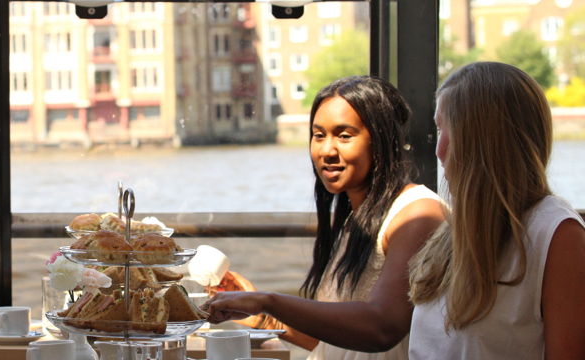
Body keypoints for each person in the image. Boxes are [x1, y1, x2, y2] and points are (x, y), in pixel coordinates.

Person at [204, 75, 445, 359]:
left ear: (381, 141)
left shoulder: (418, 214)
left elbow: (382, 328)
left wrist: (267, 301)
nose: (327, 150)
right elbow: (335, 341)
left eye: (344, 135)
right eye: (319, 135)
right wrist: (261, 316)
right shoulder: (355, 219)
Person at [408, 62, 585, 359]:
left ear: (484, 139)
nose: (438, 150)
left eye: (446, 129)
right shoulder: (453, 231)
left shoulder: (557, 235)